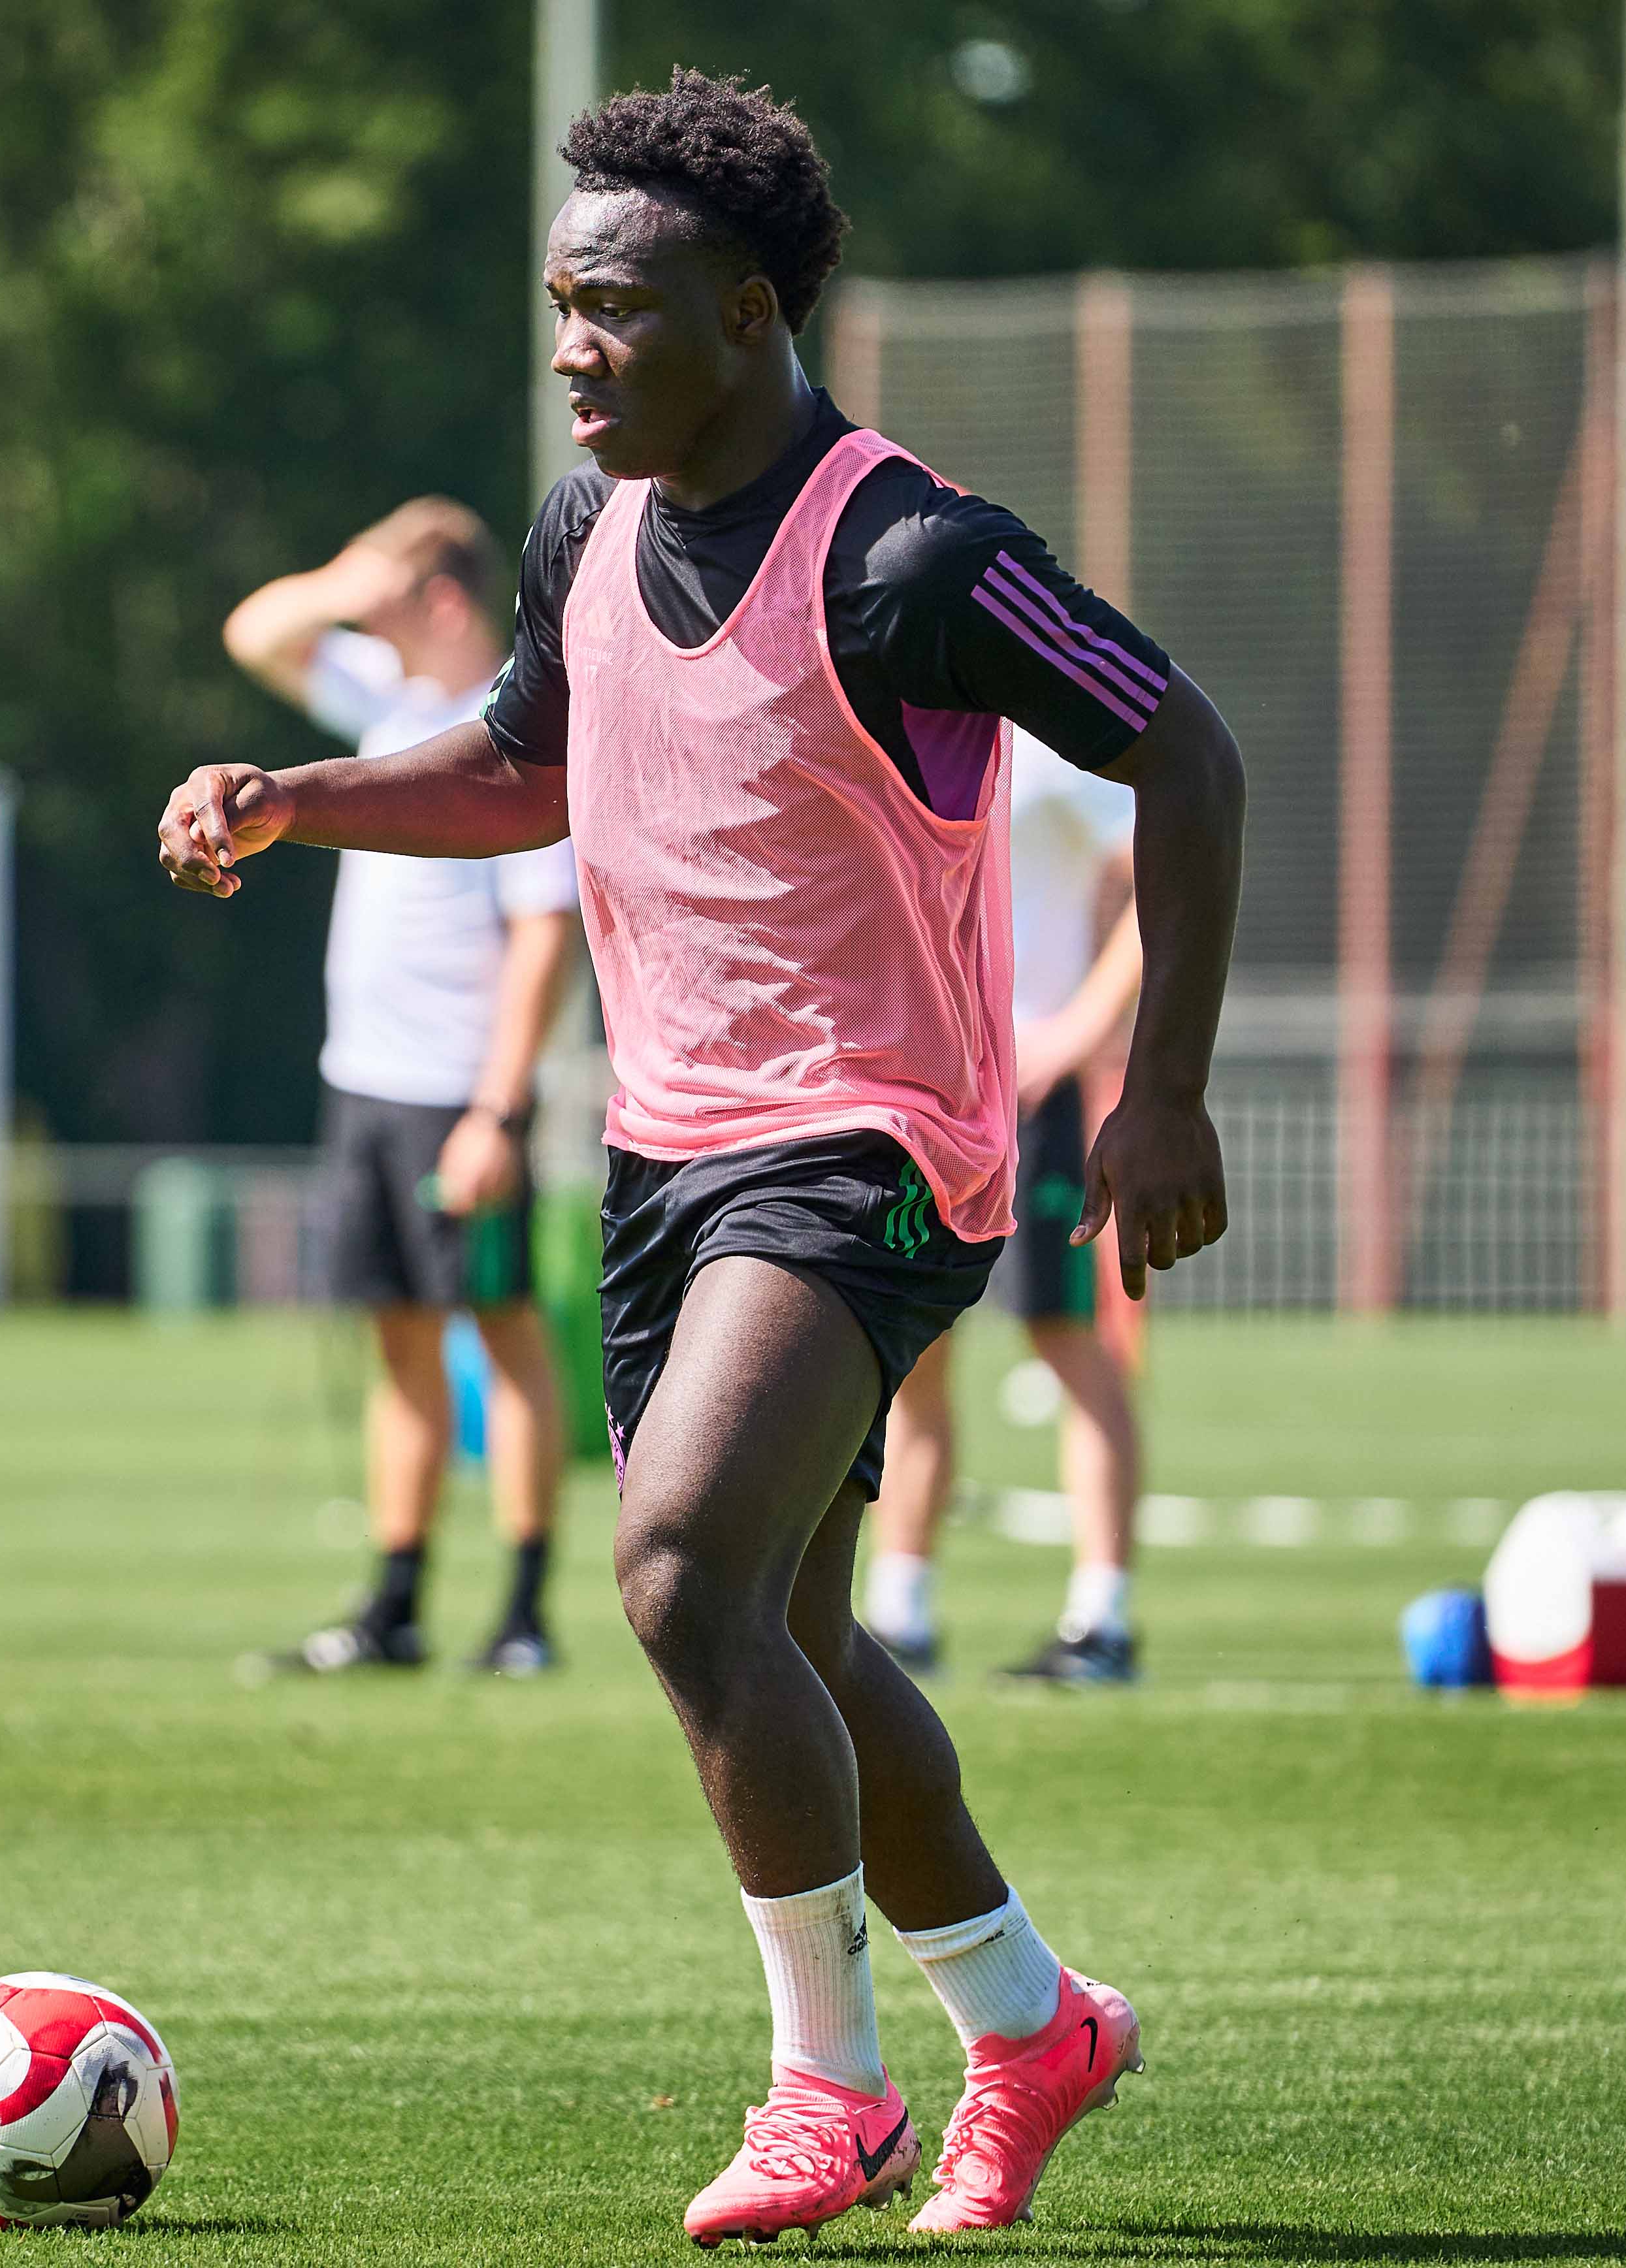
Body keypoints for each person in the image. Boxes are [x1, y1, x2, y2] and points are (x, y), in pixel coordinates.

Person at [157, 71, 1244, 2243]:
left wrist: (1163, 1091)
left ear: (750, 316)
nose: (575, 346)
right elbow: (521, 769)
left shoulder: (915, 554)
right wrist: (301, 798)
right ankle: (1033, 2029)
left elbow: (1184, 747)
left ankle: (824, 2093)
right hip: (663, 1158)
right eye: (560, 303)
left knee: (666, 1571)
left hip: (871, 1149)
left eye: (617, 306)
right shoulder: (583, 528)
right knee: (797, 1646)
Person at [220, 498, 579, 1678]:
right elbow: (255, 631)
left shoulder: (514, 734)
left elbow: (543, 940)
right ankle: (396, 1604)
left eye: (388, 589)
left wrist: (497, 1111)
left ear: (441, 601)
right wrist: (348, 573)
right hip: (364, 1087)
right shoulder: (387, 704)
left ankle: (524, 1612)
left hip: (454, 1095)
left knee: (505, 1335)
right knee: (400, 1343)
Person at [868, 728, 1152, 1687]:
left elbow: (1164, 867)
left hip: (1034, 1099)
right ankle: (898, 1617)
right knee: (914, 1357)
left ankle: (1101, 1622)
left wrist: (1079, 1029)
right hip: (921, 1099)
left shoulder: (1050, 743)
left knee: (1067, 1342)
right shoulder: (898, 721)